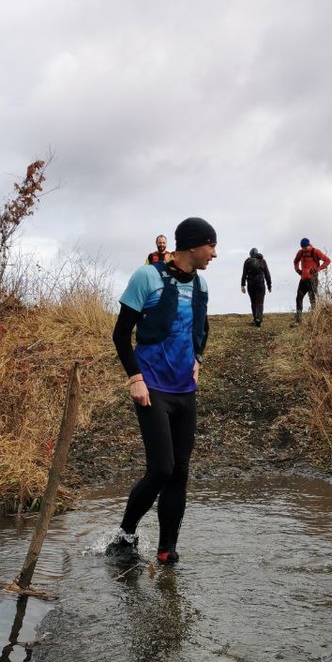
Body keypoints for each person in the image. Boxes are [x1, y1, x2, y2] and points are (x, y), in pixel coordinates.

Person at [107, 216, 217, 567]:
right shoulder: (147, 277)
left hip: (185, 390)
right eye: (210, 245)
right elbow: (121, 335)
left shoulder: (200, 286)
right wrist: (134, 377)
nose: (214, 253)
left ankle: (166, 550)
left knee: (180, 472)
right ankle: (124, 537)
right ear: (192, 245)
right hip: (151, 387)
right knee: (161, 469)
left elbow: (202, 327)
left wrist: (198, 357)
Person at [293, 236, 330, 320]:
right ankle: (298, 317)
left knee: (312, 298)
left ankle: (314, 317)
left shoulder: (315, 251)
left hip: (312, 279)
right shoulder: (300, 252)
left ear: (308, 245)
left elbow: (327, 260)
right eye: (302, 247)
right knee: (299, 297)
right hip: (303, 279)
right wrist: (297, 270)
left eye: (305, 247)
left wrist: (318, 269)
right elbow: (295, 261)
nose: (304, 249)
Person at [240, 247, 272, 326]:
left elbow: (244, 274)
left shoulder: (247, 261)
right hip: (260, 285)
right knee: (260, 303)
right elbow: (267, 274)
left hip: (251, 285)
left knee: (253, 302)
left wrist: (242, 285)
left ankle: (255, 319)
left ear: (250, 254)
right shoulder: (262, 261)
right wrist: (269, 285)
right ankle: (259, 320)